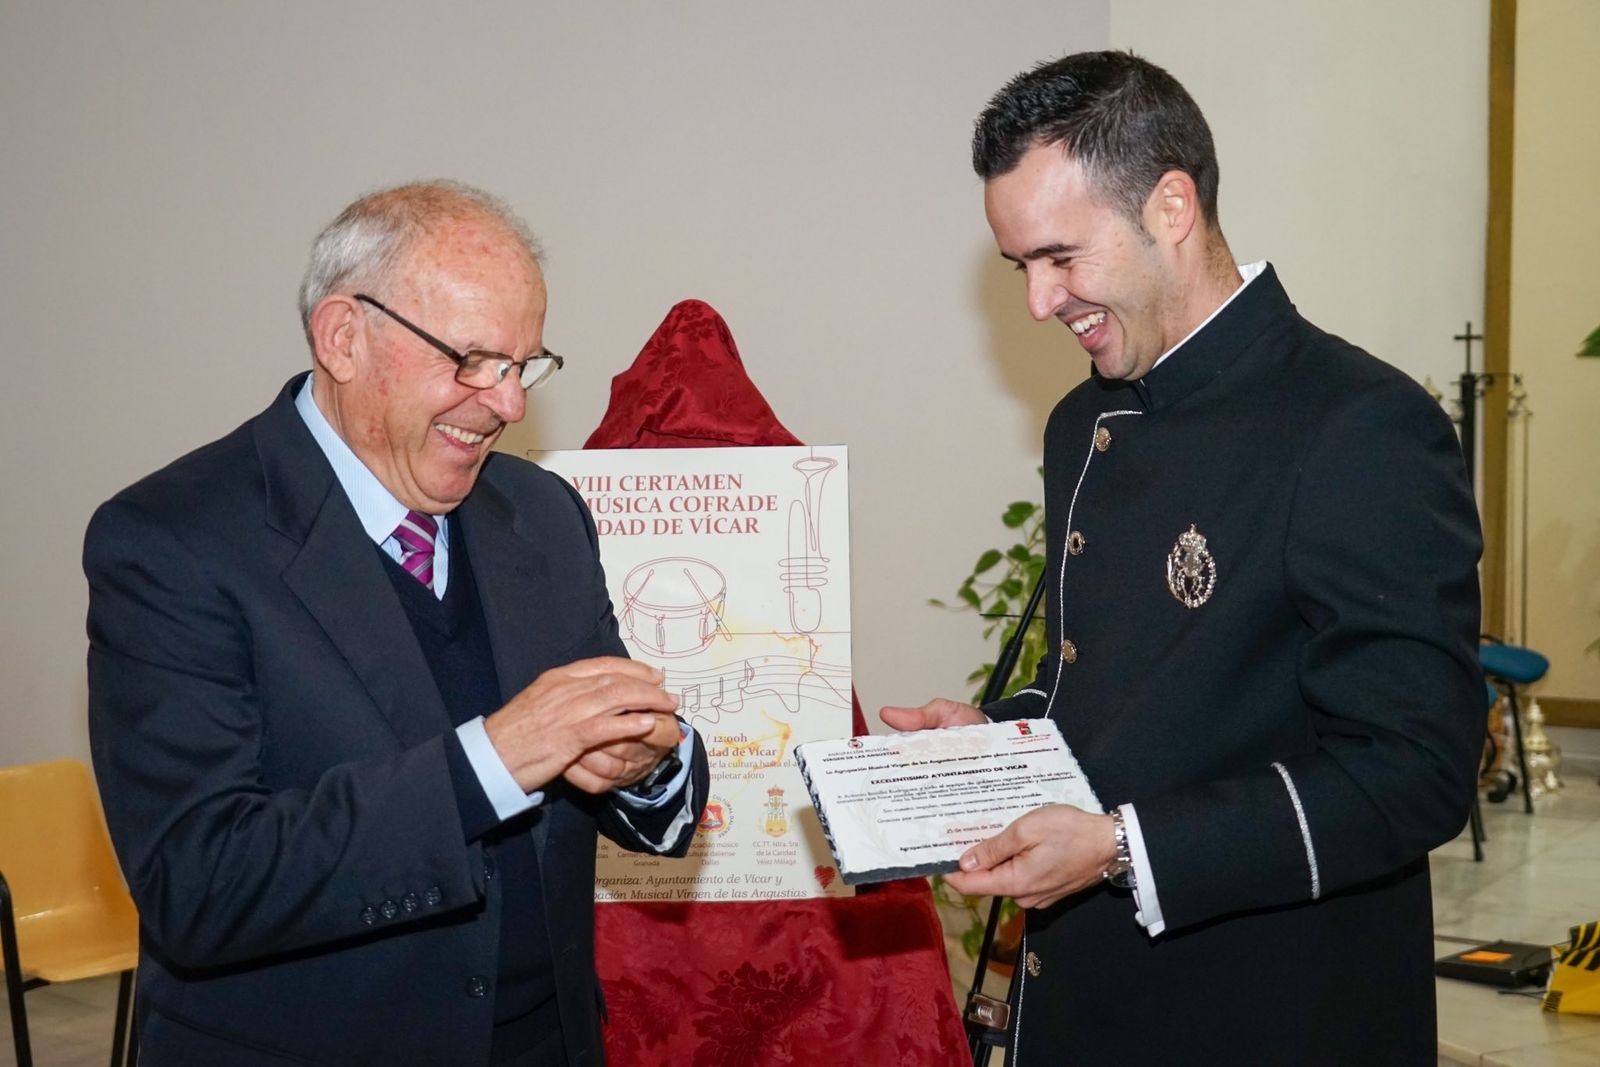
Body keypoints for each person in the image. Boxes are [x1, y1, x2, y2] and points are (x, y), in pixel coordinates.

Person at [882, 52, 1483, 1064]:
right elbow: (1130, 693)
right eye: (1019, 265)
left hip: (1263, 1005)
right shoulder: (1085, 420)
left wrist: (1123, 844)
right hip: (1085, 996)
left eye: (1060, 256)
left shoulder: (1358, 423)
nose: (1038, 301)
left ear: (1170, 206)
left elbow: (1414, 769)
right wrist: (994, 739)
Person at [85, 180, 708, 1067]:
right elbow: (201, 885)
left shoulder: (543, 513)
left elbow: (627, 753)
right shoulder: (174, 539)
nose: (508, 404)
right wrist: (491, 760)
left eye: (523, 365)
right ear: (344, 336)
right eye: (474, 360)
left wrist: (647, 762)